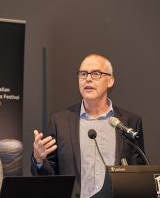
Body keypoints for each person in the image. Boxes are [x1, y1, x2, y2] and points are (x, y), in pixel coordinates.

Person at [31, 54, 146, 198]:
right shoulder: (60, 121)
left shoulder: (129, 122)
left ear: (110, 81)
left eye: (96, 73)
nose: (88, 78)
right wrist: (39, 159)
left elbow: (140, 174)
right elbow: (50, 178)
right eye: (83, 74)